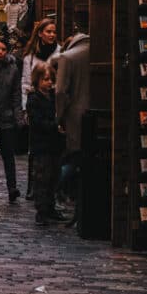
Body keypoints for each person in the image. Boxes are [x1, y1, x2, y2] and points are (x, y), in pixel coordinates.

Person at [55, 27, 90, 209]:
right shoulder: (99, 51)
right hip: (95, 115)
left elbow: (60, 91)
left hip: (74, 115)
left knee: (73, 156)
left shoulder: (68, 57)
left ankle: (57, 188)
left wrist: (58, 116)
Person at [27, 61, 65, 226]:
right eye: (45, 80)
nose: (49, 83)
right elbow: (38, 122)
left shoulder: (53, 97)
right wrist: (55, 125)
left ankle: (50, 207)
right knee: (42, 178)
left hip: (54, 144)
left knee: (54, 176)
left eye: (50, 79)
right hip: (41, 144)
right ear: (38, 80)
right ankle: (41, 211)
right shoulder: (34, 99)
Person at [0, 37, 24, 203]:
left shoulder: (13, 68)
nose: (0, 52)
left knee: (8, 154)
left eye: (3, 49)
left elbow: (16, 94)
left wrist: (18, 116)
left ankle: (12, 187)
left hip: (6, 115)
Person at [21, 18, 62, 100]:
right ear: (40, 33)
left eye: (54, 32)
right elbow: (26, 85)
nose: (52, 35)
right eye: (48, 32)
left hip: (54, 101)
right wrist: (25, 107)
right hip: (36, 103)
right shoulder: (30, 57)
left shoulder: (61, 53)